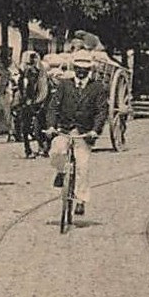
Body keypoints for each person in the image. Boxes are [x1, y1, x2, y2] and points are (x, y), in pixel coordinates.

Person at [44, 51, 109, 216]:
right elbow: (53, 107)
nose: (81, 72)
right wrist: (51, 126)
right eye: (78, 68)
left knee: (83, 166)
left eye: (85, 69)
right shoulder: (64, 85)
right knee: (56, 151)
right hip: (64, 129)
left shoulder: (97, 88)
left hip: (84, 133)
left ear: (90, 70)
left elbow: (101, 111)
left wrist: (95, 130)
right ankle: (60, 171)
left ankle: (81, 200)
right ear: (74, 68)